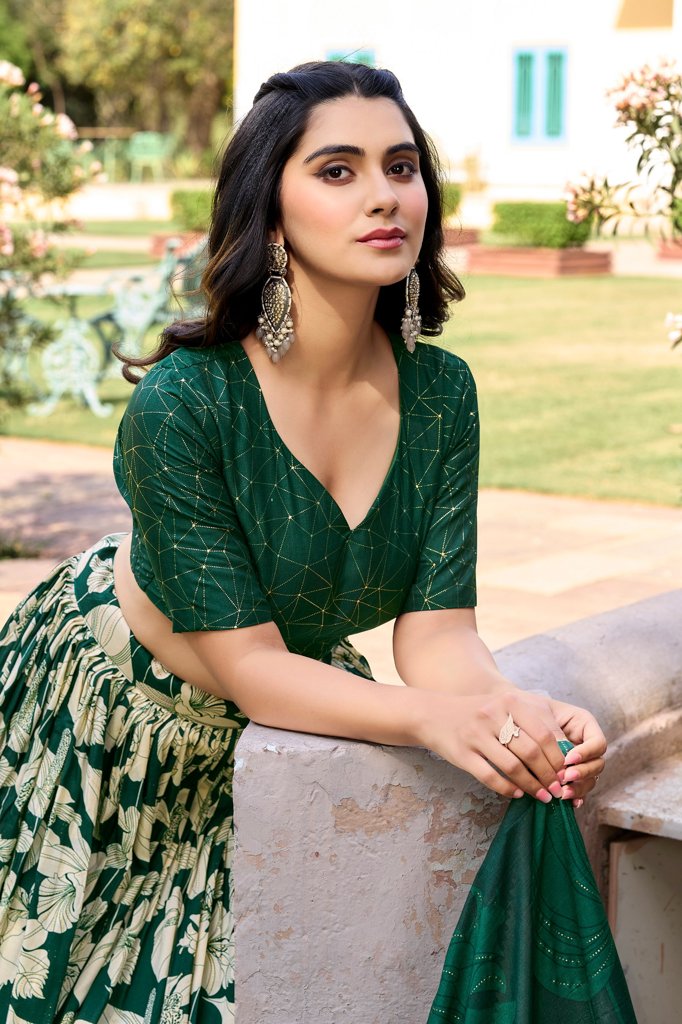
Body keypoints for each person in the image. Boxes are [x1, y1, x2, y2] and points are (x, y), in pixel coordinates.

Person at [0, 61, 606, 1023]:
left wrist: (513, 711)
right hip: (109, 725)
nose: (383, 195)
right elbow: (249, 666)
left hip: (289, 709)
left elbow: (436, 634)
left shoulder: (442, 396)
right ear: (270, 215)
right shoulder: (187, 403)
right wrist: (428, 721)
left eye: (401, 167)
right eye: (338, 170)